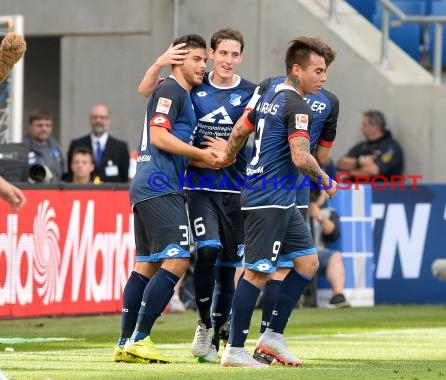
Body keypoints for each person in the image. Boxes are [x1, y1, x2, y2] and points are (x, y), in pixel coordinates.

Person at [138, 27, 257, 363]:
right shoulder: (192, 85)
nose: (228, 61)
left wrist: (232, 149)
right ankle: (204, 324)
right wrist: (160, 61)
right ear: (212, 55)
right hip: (198, 185)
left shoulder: (251, 92)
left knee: (230, 265)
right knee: (208, 250)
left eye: (235, 55)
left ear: (241, 57)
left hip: (234, 188)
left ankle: (220, 326)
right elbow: (146, 90)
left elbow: (258, 136)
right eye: (222, 54)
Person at [217, 36, 337, 368]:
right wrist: (325, 180)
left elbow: (241, 130)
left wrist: (226, 156)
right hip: (268, 197)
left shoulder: (269, 92)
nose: (323, 79)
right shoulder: (297, 105)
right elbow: (301, 157)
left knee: (307, 263)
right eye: (318, 71)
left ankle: (272, 337)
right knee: (257, 273)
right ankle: (235, 350)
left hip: (280, 198)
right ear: (297, 70)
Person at [113, 33, 224, 364]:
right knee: (176, 260)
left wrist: (204, 156)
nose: (203, 66)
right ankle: (141, 337)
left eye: (205, 60)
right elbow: (160, 136)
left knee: (146, 265)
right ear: (179, 60)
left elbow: (143, 91)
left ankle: (124, 341)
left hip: (149, 184)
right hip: (161, 185)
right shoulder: (172, 90)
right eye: (197, 60)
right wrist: (201, 155)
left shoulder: (176, 93)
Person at [307, 186, 349, 308]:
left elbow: (334, 234)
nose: (313, 197)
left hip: (318, 254)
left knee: (335, 256)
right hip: (296, 254)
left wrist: (319, 216)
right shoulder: (295, 207)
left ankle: (338, 296)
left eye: (316, 193)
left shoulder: (329, 212)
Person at [66, 104, 130, 182]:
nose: (98, 120)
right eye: (95, 117)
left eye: (102, 117)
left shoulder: (121, 147)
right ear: (90, 119)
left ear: (108, 120)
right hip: (84, 192)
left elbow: (124, 178)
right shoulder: (76, 145)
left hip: (111, 192)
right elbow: (70, 175)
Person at [336, 110, 404, 181]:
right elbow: (341, 163)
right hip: (358, 189)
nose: (362, 128)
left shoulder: (391, 147)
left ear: (375, 127)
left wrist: (347, 173)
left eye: (365, 125)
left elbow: (372, 171)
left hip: (382, 190)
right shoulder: (362, 146)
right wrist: (360, 162)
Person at [23, 109, 64, 183]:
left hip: (54, 192)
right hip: (30, 192)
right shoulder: (22, 149)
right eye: (39, 125)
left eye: (48, 125)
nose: (44, 129)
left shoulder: (56, 148)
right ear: (30, 127)